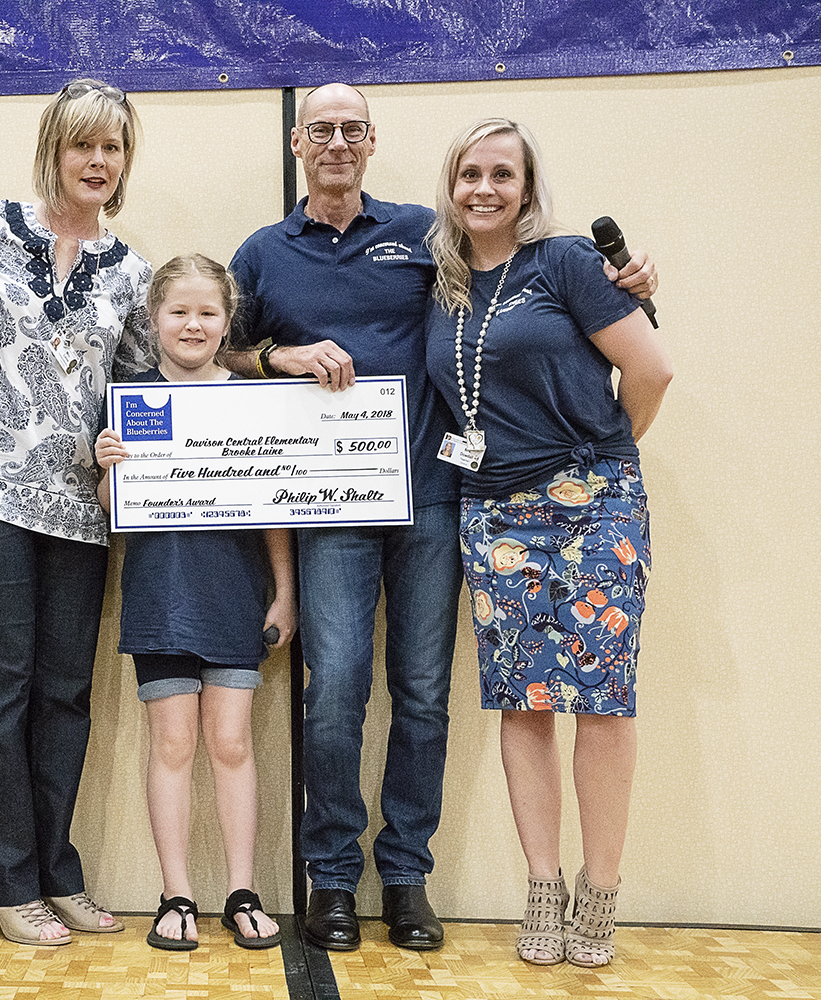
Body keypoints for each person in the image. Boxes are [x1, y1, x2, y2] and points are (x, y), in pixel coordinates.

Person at [226, 83, 657, 953]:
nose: (337, 142)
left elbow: (535, 289)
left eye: (353, 129)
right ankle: (334, 880)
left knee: (423, 695)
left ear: (374, 141)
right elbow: (214, 346)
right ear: (300, 144)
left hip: (436, 499)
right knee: (338, 687)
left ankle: (406, 878)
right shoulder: (264, 252)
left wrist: (634, 281)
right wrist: (277, 353)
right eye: (321, 130)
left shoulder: (428, 243)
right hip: (332, 508)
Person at [423, 117, 670, 967]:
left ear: (527, 190)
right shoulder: (443, 284)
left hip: (593, 502)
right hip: (492, 514)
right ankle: (542, 886)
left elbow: (652, 369)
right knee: (523, 701)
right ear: (450, 187)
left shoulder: (563, 263)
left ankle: (600, 890)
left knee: (601, 699)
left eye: (502, 174)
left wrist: (601, 458)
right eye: (469, 174)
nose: (484, 189)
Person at [0, 78, 156, 947]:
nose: (97, 161)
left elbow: (140, 387)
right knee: (1, 687)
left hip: (79, 510)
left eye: (113, 148)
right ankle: (5, 882)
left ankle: (56, 870)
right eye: (82, 145)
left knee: (66, 693)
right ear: (53, 151)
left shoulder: (133, 270)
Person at [93, 254, 296, 951]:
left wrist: (286, 591)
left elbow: (275, 507)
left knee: (231, 742)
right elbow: (112, 511)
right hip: (159, 595)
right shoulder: (131, 399)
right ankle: (174, 894)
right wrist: (108, 468)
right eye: (178, 311)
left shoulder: (249, 398)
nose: (193, 323)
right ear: (152, 320)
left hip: (234, 595)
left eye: (208, 312)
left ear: (227, 321)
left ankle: (243, 891)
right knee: (173, 743)